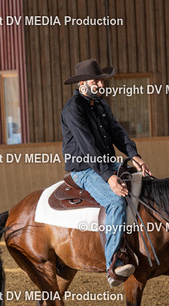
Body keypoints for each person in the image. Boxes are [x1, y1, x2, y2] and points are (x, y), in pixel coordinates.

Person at [61, 59, 152, 287]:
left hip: (106, 163)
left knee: (147, 185)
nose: (101, 85)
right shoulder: (73, 109)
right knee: (115, 201)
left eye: (101, 81)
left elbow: (117, 132)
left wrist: (134, 155)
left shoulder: (101, 105)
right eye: (96, 82)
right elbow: (88, 147)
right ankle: (113, 264)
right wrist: (109, 177)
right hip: (84, 168)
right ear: (82, 84)